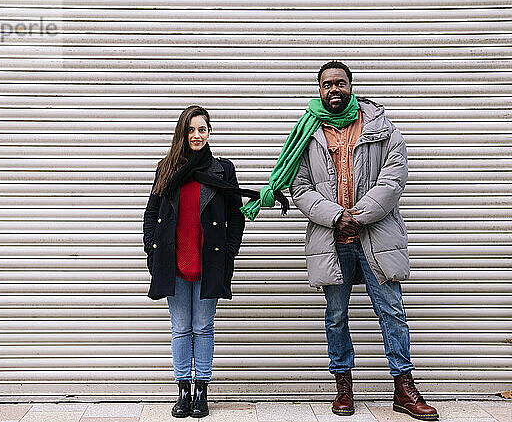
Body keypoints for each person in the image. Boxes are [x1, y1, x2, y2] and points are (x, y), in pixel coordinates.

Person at [241, 61, 438, 421]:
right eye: (327, 84)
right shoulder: (308, 132)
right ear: (319, 90)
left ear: (350, 86)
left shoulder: (381, 126)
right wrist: (335, 217)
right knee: (336, 315)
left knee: (391, 311)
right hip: (332, 239)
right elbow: (299, 188)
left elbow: (393, 180)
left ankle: (404, 388)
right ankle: (343, 386)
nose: (334, 89)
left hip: (374, 235)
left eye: (340, 83)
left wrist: (357, 215)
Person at [143, 105, 245, 418]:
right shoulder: (167, 168)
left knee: (202, 328)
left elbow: (235, 217)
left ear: (210, 132)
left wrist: (228, 253)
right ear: (182, 133)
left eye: (202, 129)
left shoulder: (222, 169)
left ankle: (201, 391)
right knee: (180, 329)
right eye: (191, 130)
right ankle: (183, 391)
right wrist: (153, 248)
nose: (196, 135)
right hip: (173, 263)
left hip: (208, 262)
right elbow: (151, 213)